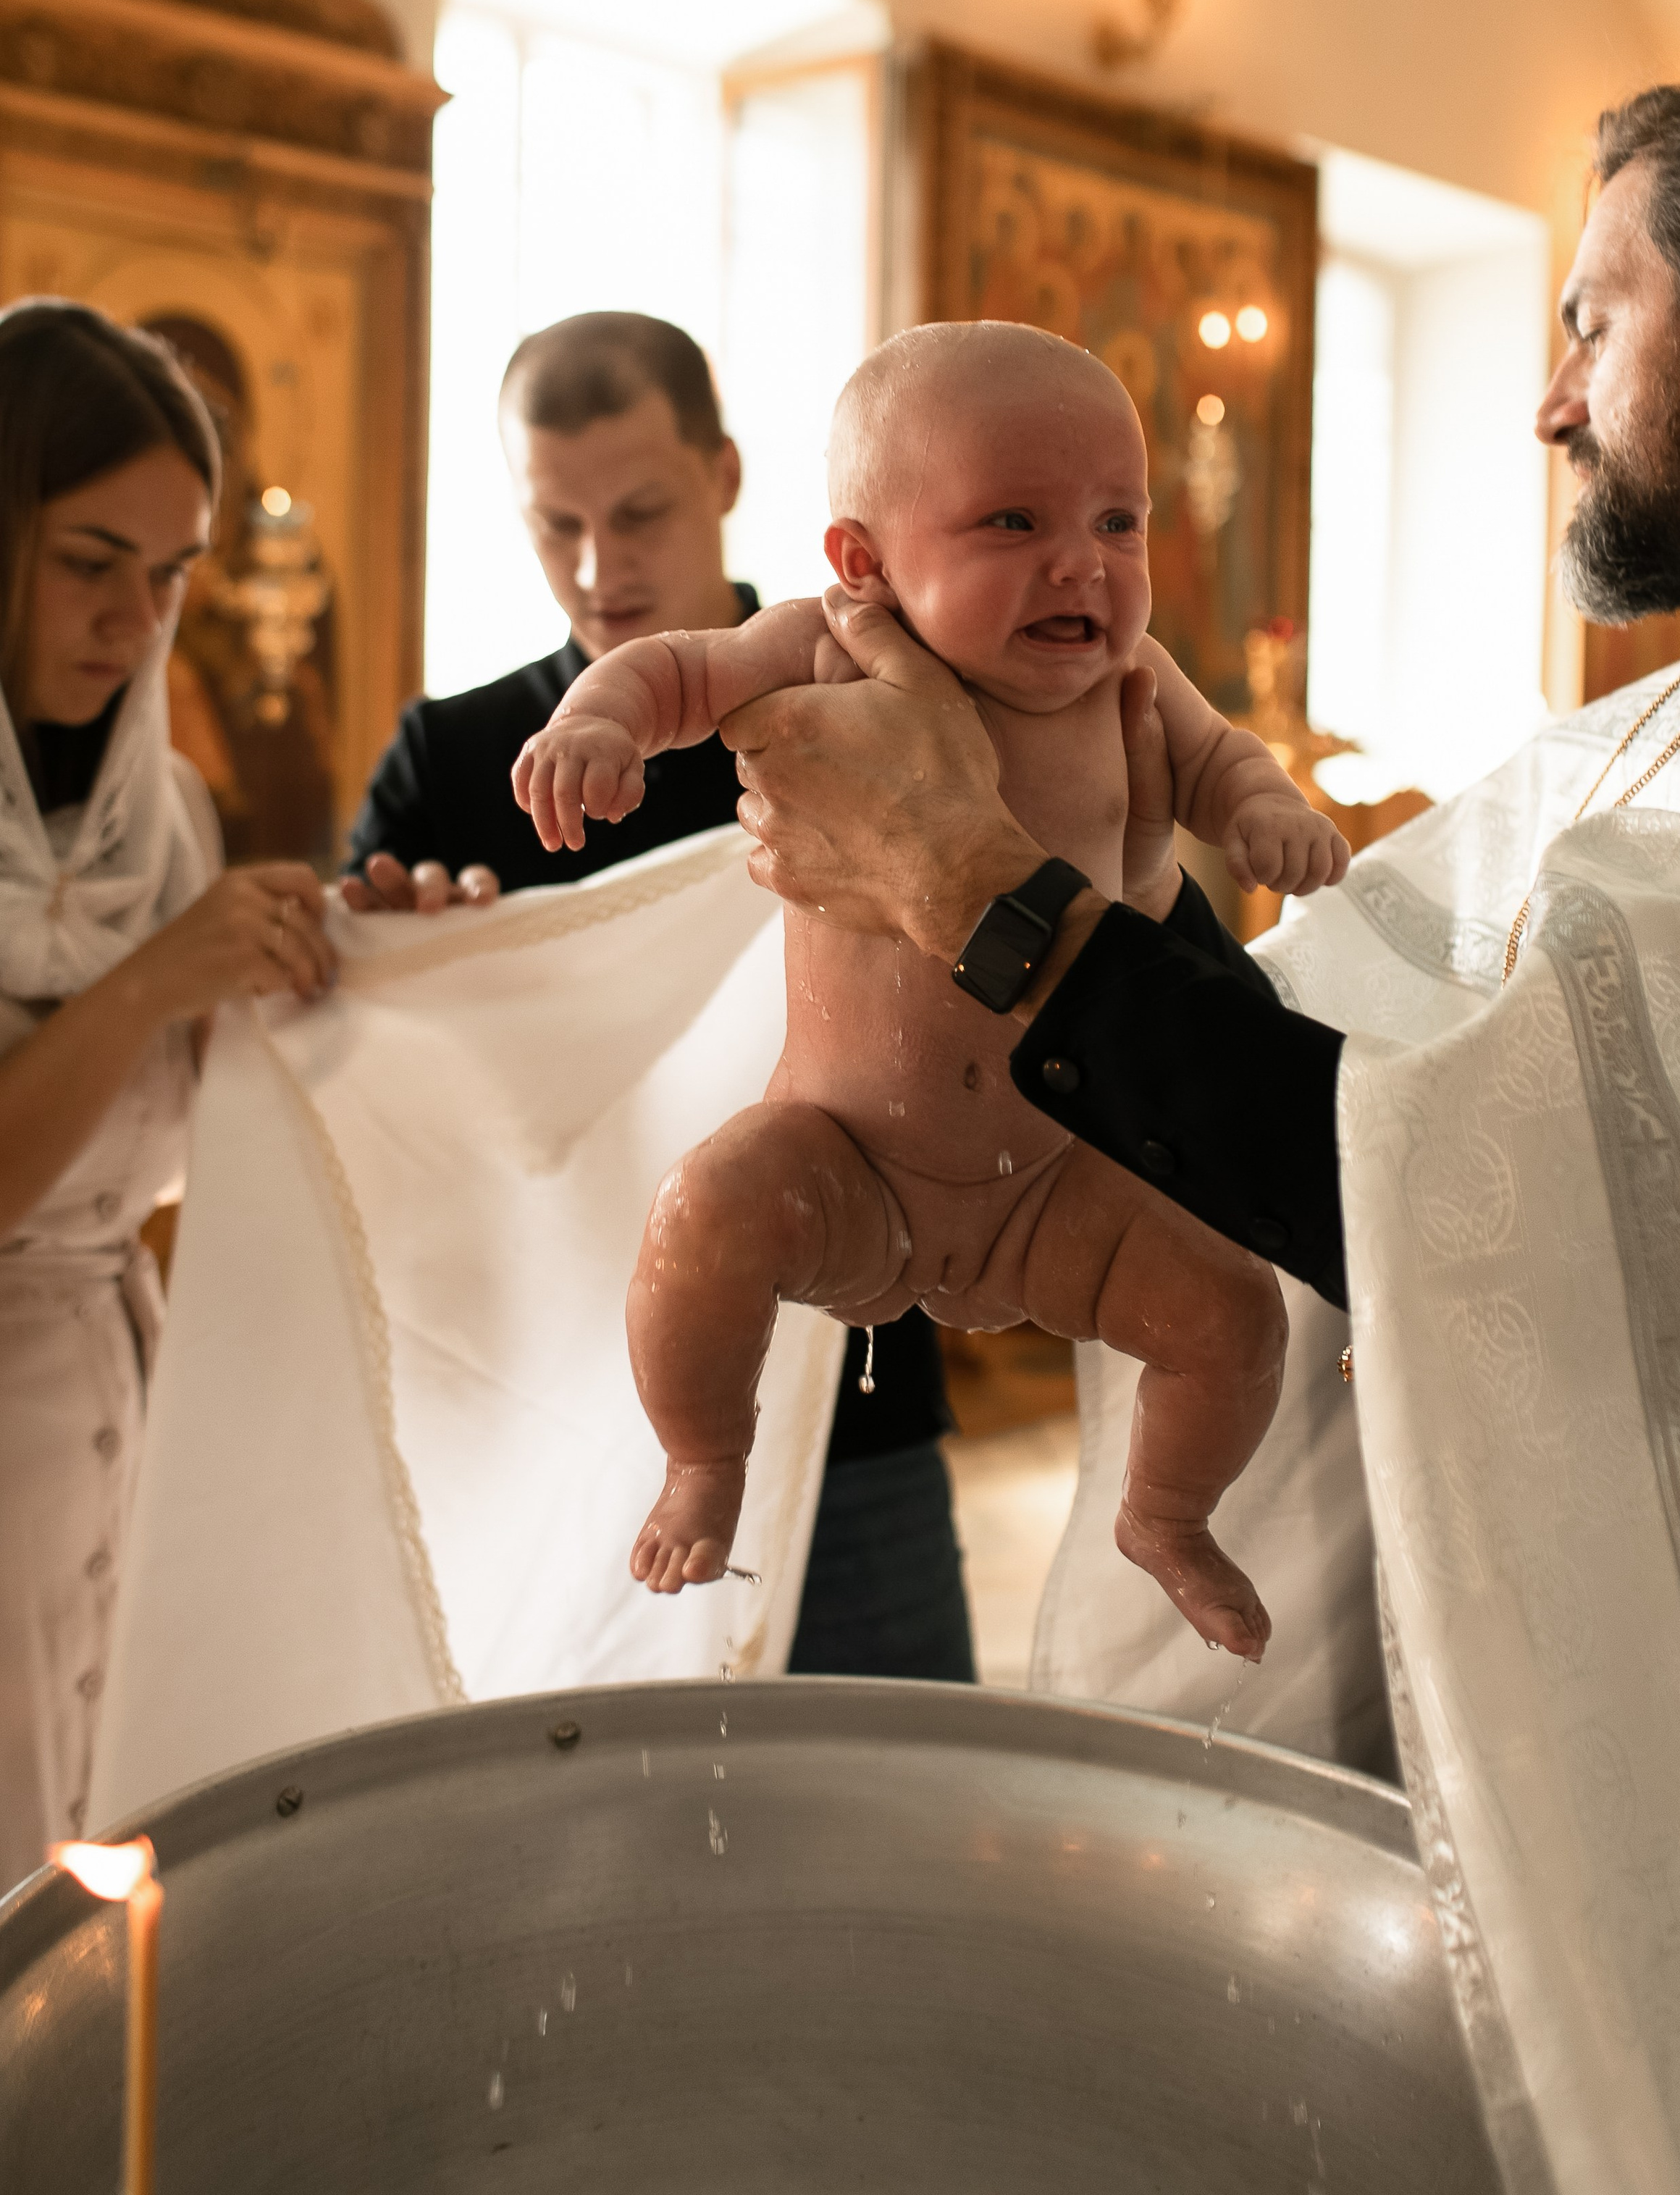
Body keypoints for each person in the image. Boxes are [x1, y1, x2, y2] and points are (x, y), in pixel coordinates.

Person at [718, 28, 1680, 2183]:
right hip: (1354, 1702)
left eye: (1591, 318)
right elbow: (1309, 1063)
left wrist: (977, 883)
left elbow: (1498, 1214)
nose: (1547, 401)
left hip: (1524, 1772)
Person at [514, 322, 1347, 1650]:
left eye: (1119, 521)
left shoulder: (1132, 681)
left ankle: (1167, 1510)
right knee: (703, 1219)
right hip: (846, 1160)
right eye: (1014, 521)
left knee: (1232, 1312)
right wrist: (598, 723)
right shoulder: (826, 647)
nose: (1083, 562)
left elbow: (1223, 761)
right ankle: (704, 1460)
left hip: (1061, 1178)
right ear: (864, 563)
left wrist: (1265, 813)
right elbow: (678, 668)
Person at [343, 310, 974, 1682]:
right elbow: (359, 1049)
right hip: (572, 1417)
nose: (595, 567)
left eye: (636, 513)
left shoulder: (857, 696)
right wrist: (408, 956)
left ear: (727, 473)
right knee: (615, 1859)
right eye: (551, 524)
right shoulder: (453, 761)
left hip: (850, 1383)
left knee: (906, 1823)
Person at [0, 299, 334, 1891]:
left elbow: (200, 1130)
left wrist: (353, 969)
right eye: (88, 560)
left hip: (128, 1397)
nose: (139, 619)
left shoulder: (171, 807)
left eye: (173, 572)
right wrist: (153, 980)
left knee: (110, 1881)